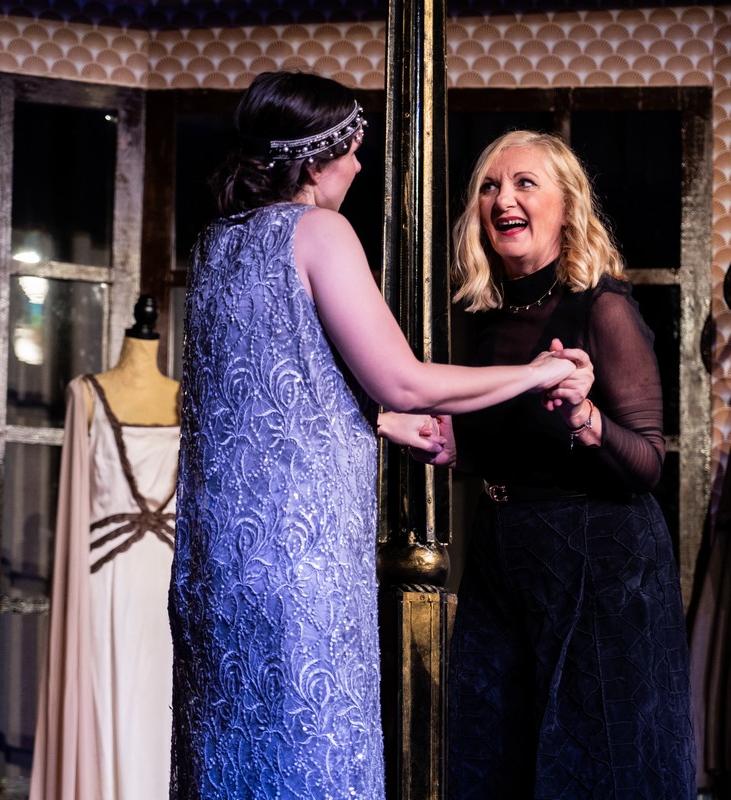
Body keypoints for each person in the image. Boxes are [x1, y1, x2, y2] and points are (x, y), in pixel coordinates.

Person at [170, 73, 579, 800]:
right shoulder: (318, 232)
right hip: (299, 558)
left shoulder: (215, 245)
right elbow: (403, 379)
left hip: (217, 566)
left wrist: (379, 424)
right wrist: (534, 372)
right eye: (353, 150)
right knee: (309, 759)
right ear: (317, 159)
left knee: (232, 759)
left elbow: (257, 398)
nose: (360, 166)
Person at [401, 129, 695, 798]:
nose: (503, 199)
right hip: (504, 559)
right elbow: (516, 449)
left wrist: (585, 417)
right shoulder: (490, 314)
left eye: (524, 183)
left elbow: (648, 462)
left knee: (595, 768)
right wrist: (457, 448)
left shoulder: (602, 306)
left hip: (599, 565)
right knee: (493, 760)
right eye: (489, 186)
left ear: (568, 206)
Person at [31, 305, 181, 800]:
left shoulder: (187, 399)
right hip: (108, 583)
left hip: (168, 583)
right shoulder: (87, 395)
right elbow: (75, 498)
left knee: (164, 710)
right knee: (110, 706)